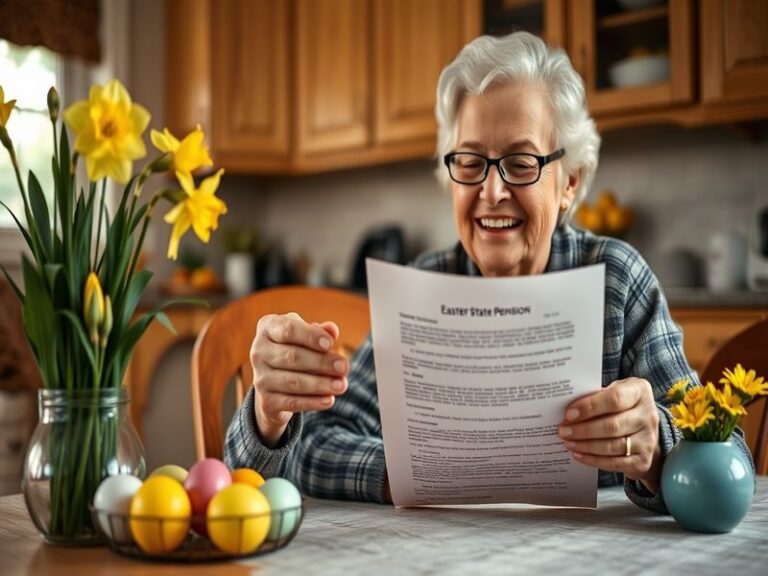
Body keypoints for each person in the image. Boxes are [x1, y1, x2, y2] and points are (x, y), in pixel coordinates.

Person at [223, 32, 752, 511]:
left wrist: (657, 448)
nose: (492, 191)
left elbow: (729, 456)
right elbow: (313, 445)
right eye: (471, 162)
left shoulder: (617, 279)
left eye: (521, 164)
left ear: (569, 181)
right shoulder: (422, 289)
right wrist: (406, 473)